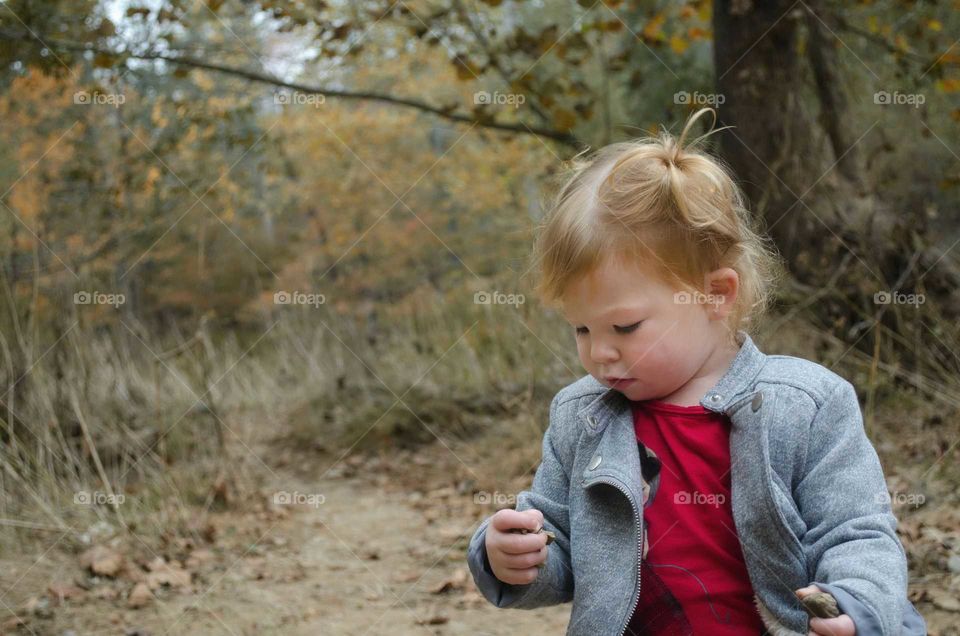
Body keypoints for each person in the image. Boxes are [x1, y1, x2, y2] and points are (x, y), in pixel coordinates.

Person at [466, 107, 927, 635]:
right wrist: (516, 557)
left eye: (625, 327)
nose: (599, 354)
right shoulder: (582, 417)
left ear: (715, 294)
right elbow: (561, 542)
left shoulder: (807, 404)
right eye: (581, 330)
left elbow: (856, 532)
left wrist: (854, 605)